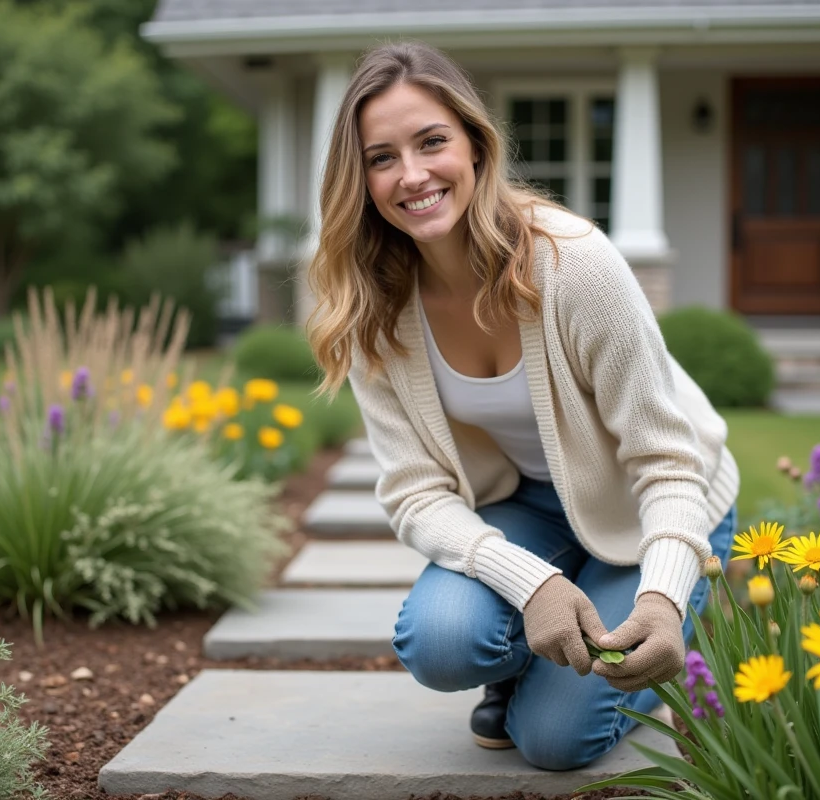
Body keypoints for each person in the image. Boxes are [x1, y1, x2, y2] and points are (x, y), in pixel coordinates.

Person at [305, 40, 739, 771]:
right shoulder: (371, 304)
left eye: (432, 142)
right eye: (382, 157)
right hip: (530, 504)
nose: (412, 175)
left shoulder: (574, 264)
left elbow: (668, 463)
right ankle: (527, 661)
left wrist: (662, 599)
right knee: (442, 642)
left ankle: (648, 662)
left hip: (653, 499)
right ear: (361, 179)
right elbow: (415, 493)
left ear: (476, 146)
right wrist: (531, 583)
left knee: (552, 743)